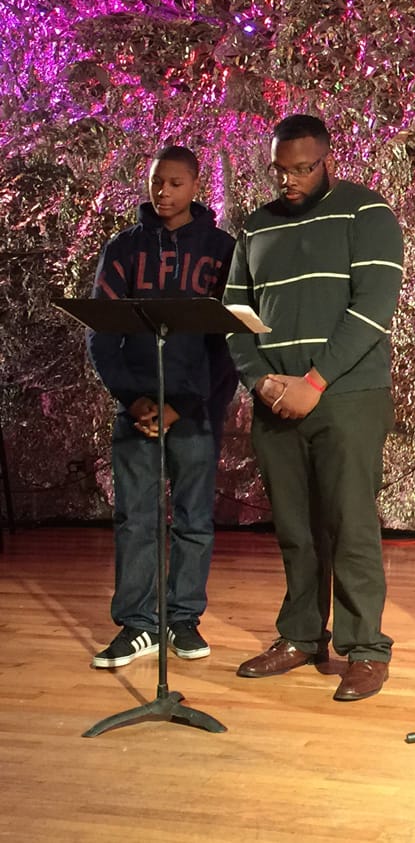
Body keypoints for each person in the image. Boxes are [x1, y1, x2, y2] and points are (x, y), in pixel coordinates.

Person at [223, 114, 404, 702]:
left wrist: (315, 381)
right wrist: (261, 382)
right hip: (275, 398)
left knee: (350, 522)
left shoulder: (366, 212)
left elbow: (374, 305)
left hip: (347, 394)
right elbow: (234, 314)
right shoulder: (257, 225)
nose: (291, 180)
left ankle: (366, 648)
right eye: (281, 170)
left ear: (328, 159)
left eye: (303, 168)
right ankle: (301, 635)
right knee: (296, 528)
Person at [87, 145, 237, 667]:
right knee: (135, 518)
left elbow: (229, 344)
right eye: (156, 182)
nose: (164, 192)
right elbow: (103, 334)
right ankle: (137, 624)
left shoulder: (221, 249)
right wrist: (136, 401)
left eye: (175, 183)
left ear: (196, 186)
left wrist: (185, 404)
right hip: (138, 410)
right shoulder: (123, 249)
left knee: (193, 518)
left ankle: (182, 618)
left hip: (195, 413)